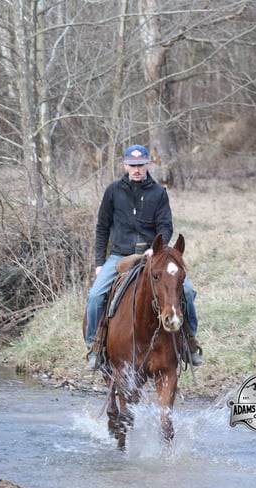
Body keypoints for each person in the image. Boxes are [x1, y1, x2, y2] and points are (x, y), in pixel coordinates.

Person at [84, 144, 203, 370]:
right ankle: (94, 347)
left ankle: (190, 343)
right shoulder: (113, 191)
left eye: (140, 165)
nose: (136, 169)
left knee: (187, 291)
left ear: (148, 164)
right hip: (119, 255)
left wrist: (155, 249)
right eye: (132, 165)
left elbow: (165, 226)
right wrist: (99, 263)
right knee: (95, 296)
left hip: (152, 256)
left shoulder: (159, 193)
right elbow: (102, 228)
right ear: (125, 165)